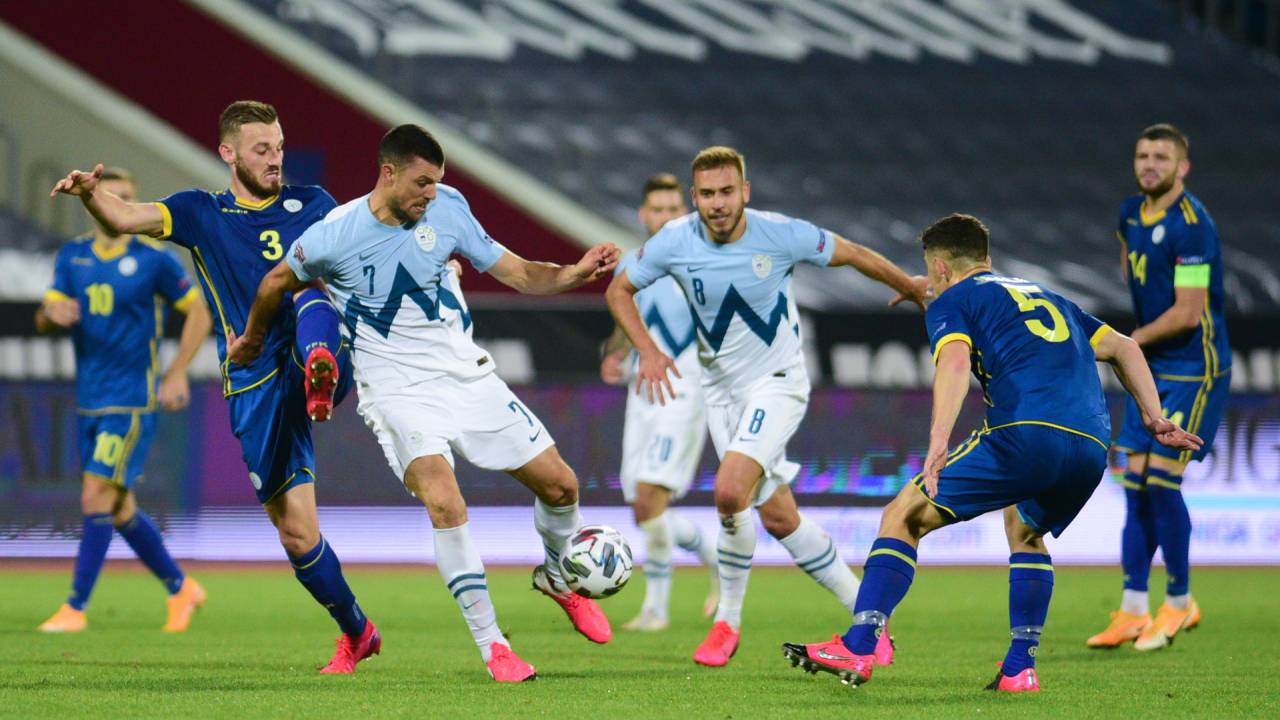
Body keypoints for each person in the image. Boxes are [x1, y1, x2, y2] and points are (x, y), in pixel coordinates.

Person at [226, 124, 621, 683]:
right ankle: (494, 647)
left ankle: (559, 576)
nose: (430, 194)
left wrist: (573, 274)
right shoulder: (335, 233)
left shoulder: (449, 208)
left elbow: (516, 271)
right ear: (388, 173)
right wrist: (251, 339)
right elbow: (274, 282)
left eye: (436, 183)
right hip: (396, 389)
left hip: (464, 373)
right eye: (421, 183)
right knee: (445, 501)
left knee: (561, 486)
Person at [780, 213, 1201, 692]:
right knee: (1025, 527)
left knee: (903, 515)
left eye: (930, 270)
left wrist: (939, 439)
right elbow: (1125, 348)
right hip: (1090, 446)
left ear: (940, 267)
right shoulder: (1052, 297)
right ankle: (1020, 667)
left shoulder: (954, 300)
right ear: (986, 257)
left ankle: (859, 645)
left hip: (1026, 433)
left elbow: (955, 362)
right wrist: (1153, 417)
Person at [49, 101, 379, 674]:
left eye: (279, 148)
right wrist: (89, 195)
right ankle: (357, 630)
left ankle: (320, 365)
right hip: (252, 378)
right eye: (261, 149)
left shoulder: (315, 204)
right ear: (228, 153)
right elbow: (126, 217)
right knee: (296, 533)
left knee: (305, 289)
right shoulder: (201, 212)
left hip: (307, 344)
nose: (275, 159)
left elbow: (370, 249)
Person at [605, 146, 927, 667]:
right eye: (707, 194)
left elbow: (850, 252)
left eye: (726, 192)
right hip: (721, 395)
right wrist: (647, 350)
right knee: (780, 518)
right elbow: (619, 289)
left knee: (730, 490)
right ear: (694, 197)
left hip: (777, 383)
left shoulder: (779, 233)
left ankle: (727, 622)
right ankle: (869, 621)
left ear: (745, 192)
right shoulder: (674, 241)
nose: (717, 203)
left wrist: (908, 285)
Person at [36, 168, 212, 633]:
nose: (121, 207)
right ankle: (181, 588)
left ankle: (75, 607)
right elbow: (45, 316)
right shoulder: (73, 256)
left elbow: (199, 311)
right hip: (89, 399)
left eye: (129, 198)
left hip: (132, 399)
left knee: (95, 494)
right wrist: (52, 313)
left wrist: (177, 371)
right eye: (113, 197)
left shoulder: (154, 260)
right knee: (119, 508)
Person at [1087, 124, 1231, 652]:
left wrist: (1127, 343)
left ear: (1182, 167)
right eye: (1143, 155)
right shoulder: (1130, 214)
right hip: (1149, 365)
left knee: (1162, 483)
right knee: (1135, 486)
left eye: (1161, 157)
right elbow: (1135, 273)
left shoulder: (1193, 226)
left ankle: (1180, 599)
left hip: (1194, 367)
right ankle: (1132, 609)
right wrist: (1135, 349)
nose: (1149, 164)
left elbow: (1188, 314)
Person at [599, 174, 718, 632]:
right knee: (642, 506)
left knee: (651, 496)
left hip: (686, 388)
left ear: (684, 213)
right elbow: (626, 319)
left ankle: (658, 607)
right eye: (658, 209)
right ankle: (710, 559)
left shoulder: (705, 260)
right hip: (642, 391)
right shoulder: (631, 264)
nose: (666, 217)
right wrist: (615, 353)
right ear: (643, 215)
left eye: (673, 209)